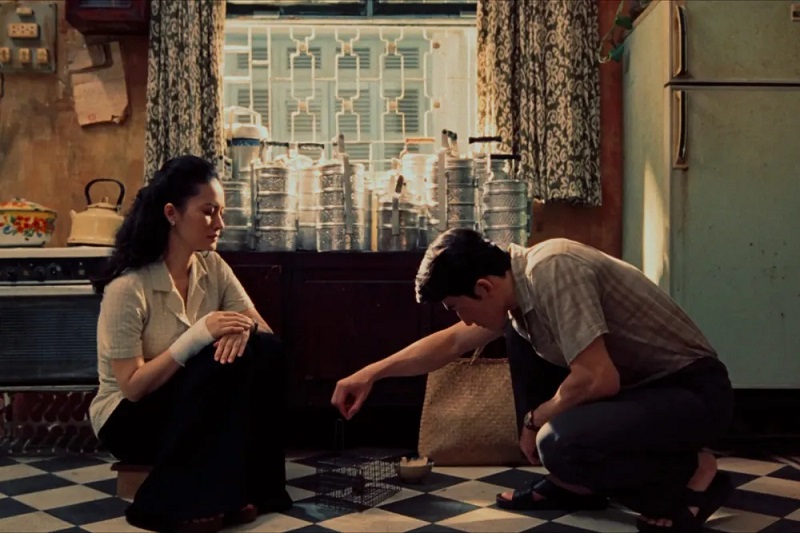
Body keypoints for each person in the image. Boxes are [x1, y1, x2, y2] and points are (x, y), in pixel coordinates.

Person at [331, 228, 734, 533]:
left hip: (692, 393)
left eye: (457, 307)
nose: (462, 320)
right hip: (641, 394)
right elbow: (451, 343)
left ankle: (693, 472)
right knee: (519, 337)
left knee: (559, 443)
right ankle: (572, 483)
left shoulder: (553, 268)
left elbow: (599, 378)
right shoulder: (515, 290)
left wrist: (534, 419)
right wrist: (371, 373)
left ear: (483, 287)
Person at [89, 155, 292, 533]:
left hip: (188, 405)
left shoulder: (212, 266)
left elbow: (264, 331)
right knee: (211, 360)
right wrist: (200, 334)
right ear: (172, 213)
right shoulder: (128, 288)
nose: (220, 224)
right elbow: (132, 387)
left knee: (263, 350)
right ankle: (173, 504)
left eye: (221, 212)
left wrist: (241, 328)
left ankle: (250, 490)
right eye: (208, 212)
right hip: (128, 418)